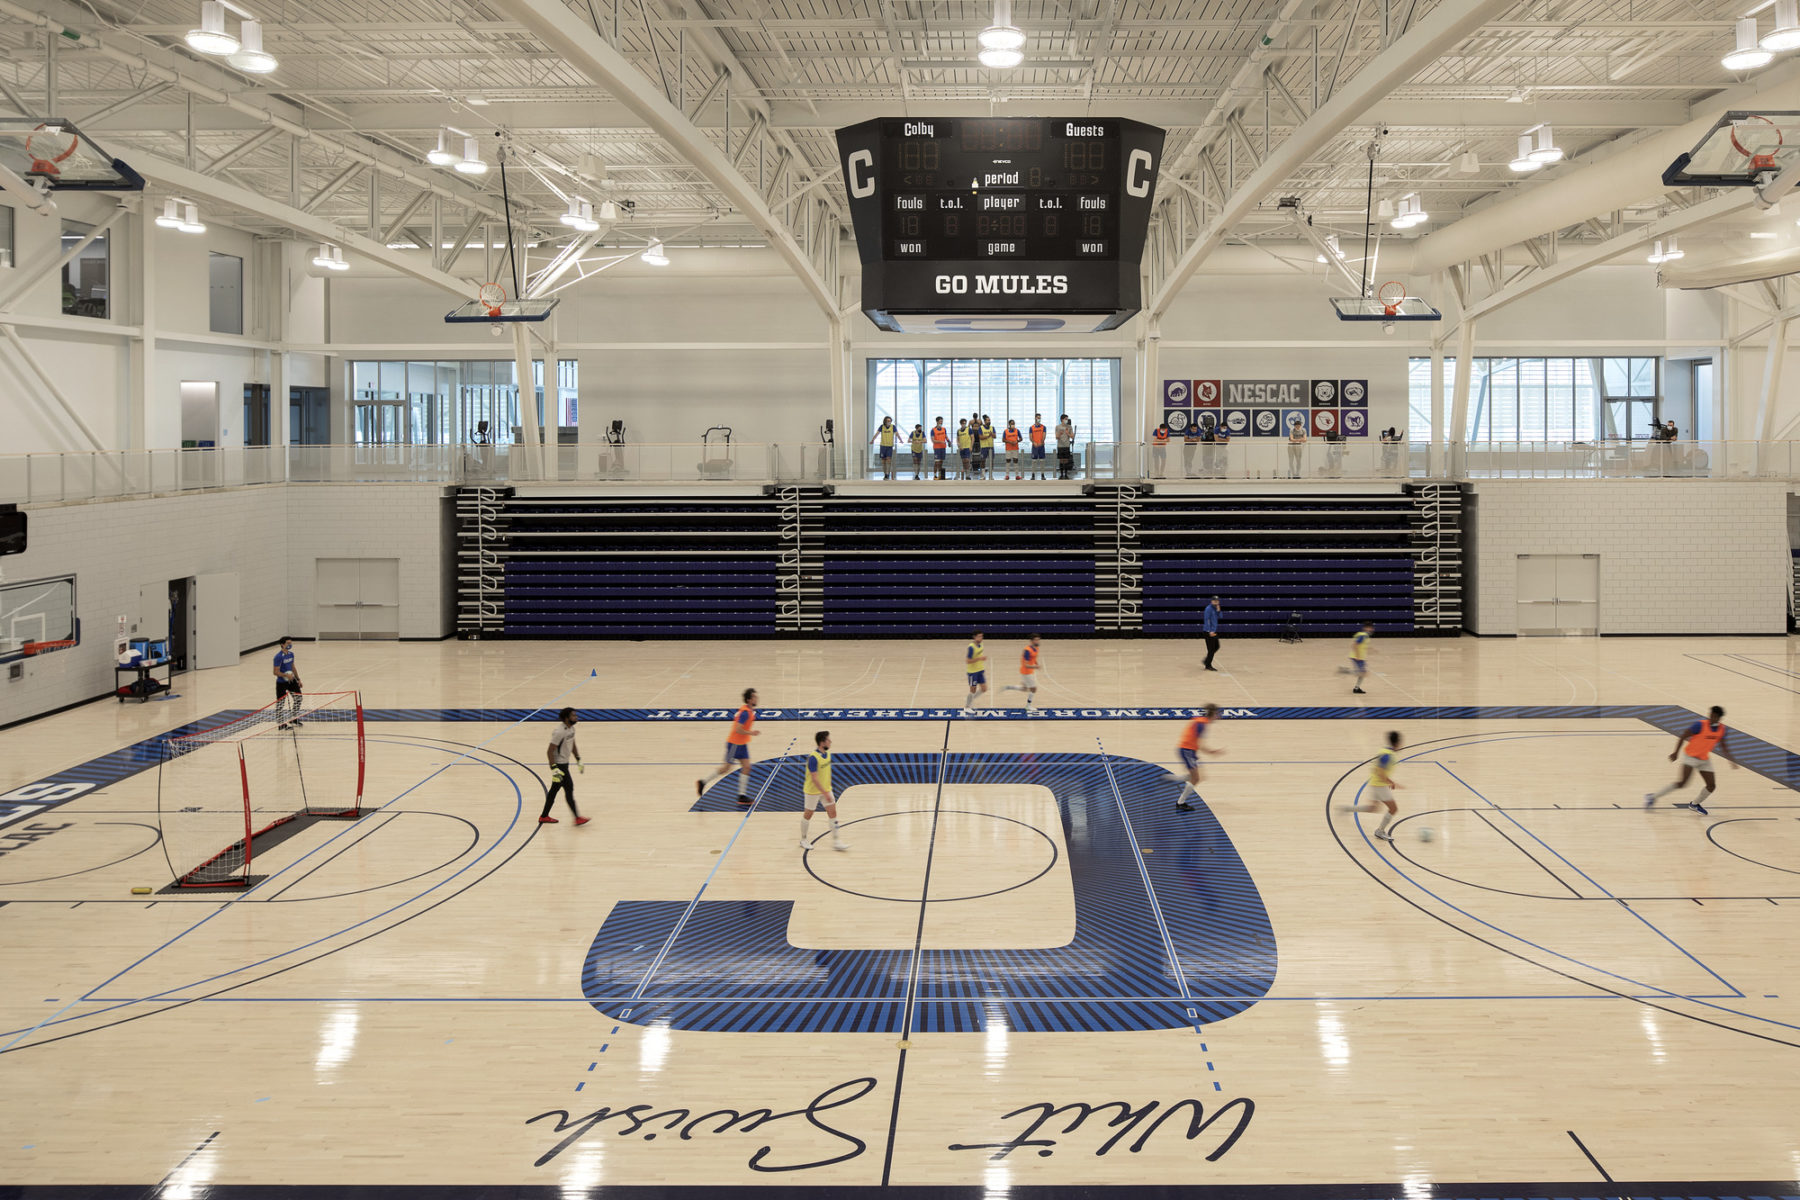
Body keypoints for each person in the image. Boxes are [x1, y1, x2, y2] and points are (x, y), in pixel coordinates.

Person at [1644, 705, 1737, 814]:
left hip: (1704, 759)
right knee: (1683, 783)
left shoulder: (1722, 729)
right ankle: (1653, 797)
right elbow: (1683, 736)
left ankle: (1694, 804)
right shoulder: (1700, 725)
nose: (1710, 717)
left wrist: (1731, 760)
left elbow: (1723, 745)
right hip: (1690, 757)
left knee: (1711, 786)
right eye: (1710, 714)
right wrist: (1676, 752)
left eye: (1714, 716)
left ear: (1719, 718)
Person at [697, 687, 760, 806]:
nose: (757, 699)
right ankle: (703, 782)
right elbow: (738, 729)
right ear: (749, 699)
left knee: (747, 767)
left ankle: (742, 796)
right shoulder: (745, 713)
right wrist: (751, 733)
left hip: (742, 744)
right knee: (726, 768)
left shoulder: (748, 711)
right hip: (734, 744)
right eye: (754, 697)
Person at [1345, 730, 1403, 841]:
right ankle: (1380, 831)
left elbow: (1376, 769)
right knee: (1393, 809)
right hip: (1379, 786)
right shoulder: (1387, 755)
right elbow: (1381, 772)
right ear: (1397, 743)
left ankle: (1347, 809)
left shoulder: (1384, 751)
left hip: (1375, 783)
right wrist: (1391, 782)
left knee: (1372, 808)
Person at [1167, 703, 1224, 813]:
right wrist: (1212, 752)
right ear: (1213, 713)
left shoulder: (1201, 721)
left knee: (1197, 777)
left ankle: (1177, 780)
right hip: (1186, 750)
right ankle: (1180, 803)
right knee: (1196, 778)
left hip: (1189, 750)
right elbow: (1201, 745)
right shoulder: (1202, 724)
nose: (1219, 715)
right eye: (1217, 713)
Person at [799, 730, 850, 851]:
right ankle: (803, 839)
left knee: (833, 813)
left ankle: (836, 841)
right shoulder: (813, 758)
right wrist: (825, 792)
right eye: (828, 739)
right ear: (822, 743)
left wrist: (827, 789)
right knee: (808, 814)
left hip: (826, 790)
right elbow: (815, 779)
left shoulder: (828, 754)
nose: (830, 741)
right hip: (812, 791)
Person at [540, 707, 591, 825]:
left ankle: (544, 816)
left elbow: (572, 744)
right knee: (569, 789)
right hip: (559, 766)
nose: (576, 717)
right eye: (573, 715)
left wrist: (578, 759)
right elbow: (549, 751)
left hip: (564, 765)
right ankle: (577, 818)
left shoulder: (571, 729)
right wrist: (554, 768)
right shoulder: (559, 732)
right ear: (567, 718)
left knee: (554, 791)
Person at [272, 636, 304, 729]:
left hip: (292, 681)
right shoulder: (278, 657)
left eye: (291, 643)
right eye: (288, 643)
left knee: (298, 698)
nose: (290, 645)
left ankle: (293, 718)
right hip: (282, 683)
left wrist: (298, 679)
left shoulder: (291, 654)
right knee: (280, 703)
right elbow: (275, 672)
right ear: (282, 644)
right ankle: (281, 724)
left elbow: (293, 667)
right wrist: (286, 675)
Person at [1002, 634, 1041, 707]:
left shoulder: (1036, 648)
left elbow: (1034, 659)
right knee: (1034, 689)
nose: (1038, 641)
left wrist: (1037, 664)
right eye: (1036, 640)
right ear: (1031, 641)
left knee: (1024, 688)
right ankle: (1028, 706)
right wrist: (1036, 667)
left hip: (1029, 671)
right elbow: (1025, 665)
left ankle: (1009, 687)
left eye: (1038, 639)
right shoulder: (1027, 651)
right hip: (1026, 672)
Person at [963, 630, 988, 712]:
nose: (981, 638)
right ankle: (967, 707)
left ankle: (969, 699)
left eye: (982, 636)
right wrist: (979, 659)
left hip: (980, 670)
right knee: (973, 689)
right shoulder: (971, 647)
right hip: (972, 672)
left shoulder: (981, 645)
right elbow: (968, 661)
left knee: (984, 689)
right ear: (974, 637)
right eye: (979, 636)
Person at [1349, 621, 1374, 694]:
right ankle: (1345, 671)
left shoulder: (1366, 636)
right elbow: (1354, 645)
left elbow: (1362, 646)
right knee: (1363, 673)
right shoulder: (1363, 635)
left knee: (1363, 673)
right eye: (1369, 628)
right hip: (1358, 657)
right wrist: (1357, 656)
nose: (1371, 629)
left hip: (1361, 657)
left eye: (1371, 628)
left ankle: (1356, 688)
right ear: (1365, 628)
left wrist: (1371, 649)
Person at [1202, 597, 1222, 671]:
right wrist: (1209, 630)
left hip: (1214, 631)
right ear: (1211, 601)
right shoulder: (1208, 608)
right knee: (1211, 649)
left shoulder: (1216, 608)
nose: (1216, 602)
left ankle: (1206, 661)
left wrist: (1218, 610)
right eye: (1214, 600)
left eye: (1217, 601)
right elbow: (1207, 619)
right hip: (1208, 631)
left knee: (1217, 646)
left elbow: (1220, 617)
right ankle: (1208, 665)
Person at [1028, 414, 1048, 479]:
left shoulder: (1043, 427)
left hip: (1041, 446)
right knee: (1034, 461)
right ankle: (1033, 475)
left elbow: (1044, 435)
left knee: (1042, 461)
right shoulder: (1031, 427)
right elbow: (1030, 437)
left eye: (1040, 418)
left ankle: (1042, 475)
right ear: (1035, 418)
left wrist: (1042, 442)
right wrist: (1034, 442)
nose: (1039, 419)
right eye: (1038, 418)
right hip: (1035, 446)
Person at [1056, 413, 1075, 478]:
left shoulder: (1069, 427)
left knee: (1066, 460)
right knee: (1061, 460)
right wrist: (1060, 433)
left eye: (1067, 419)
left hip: (1067, 445)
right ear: (1062, 419)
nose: (1067, 420)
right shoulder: (1058, 427)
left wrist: (1068, 433)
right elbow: (1057, 437)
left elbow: (1072, 437)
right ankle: (1061, 474)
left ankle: (1066, 474)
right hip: (1060, 446)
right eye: (1065, 419)